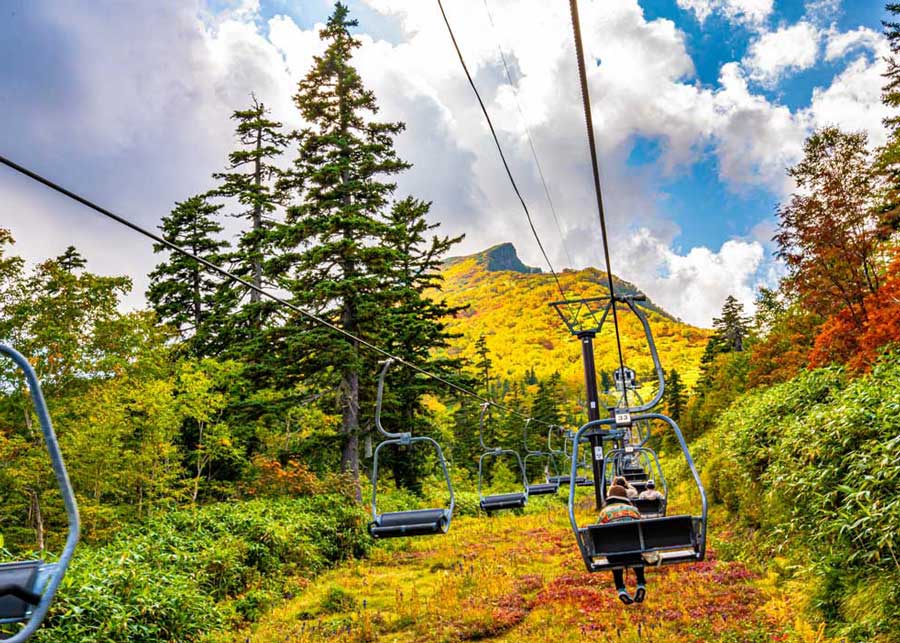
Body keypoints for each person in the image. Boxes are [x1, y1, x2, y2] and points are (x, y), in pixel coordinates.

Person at [598, 484, 647, 604]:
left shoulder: (604, 512)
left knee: (614, 556)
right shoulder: (633, 510)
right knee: (636, 552)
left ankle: (621, 589)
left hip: (614, 554)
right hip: (634, 551)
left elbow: (598, 533)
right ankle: (641, 583)